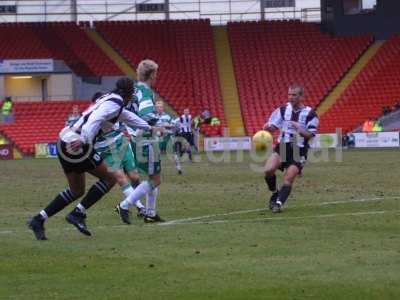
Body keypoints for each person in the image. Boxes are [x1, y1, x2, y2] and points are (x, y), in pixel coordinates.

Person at [27, 78, 153, 240]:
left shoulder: (109, 99)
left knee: (77, 190)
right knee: (109, 179)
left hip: (64, 140)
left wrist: (150, 127)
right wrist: (84, 138)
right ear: (128, 94)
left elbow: (127, 117)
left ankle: (38, 220)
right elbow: (96, 118)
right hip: (77, 144)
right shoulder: (115, 103)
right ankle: (77, 213)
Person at [116, 59, 166, 224]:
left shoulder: (134, 89)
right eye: (156, 73)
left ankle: (150, 213)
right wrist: (160, 125)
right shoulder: (145, 91)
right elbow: (146, 114)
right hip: (146, 139)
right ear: (152, 74)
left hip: (135, 138)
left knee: (153, 177)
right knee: (155, 179)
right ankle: (125, 205)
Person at [263, 84, 319, 213]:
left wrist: (299, 128)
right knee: (268, 170)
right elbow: (273, 127)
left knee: (288, 178)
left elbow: (310, 134)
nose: (291, 97)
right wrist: (268, 128)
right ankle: (275, 192)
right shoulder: (283, 110)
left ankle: (278, 203)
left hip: (299, 150)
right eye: (289, 94)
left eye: (294, 95)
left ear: (301, 97)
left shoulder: (310, 114)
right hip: (283, 146)